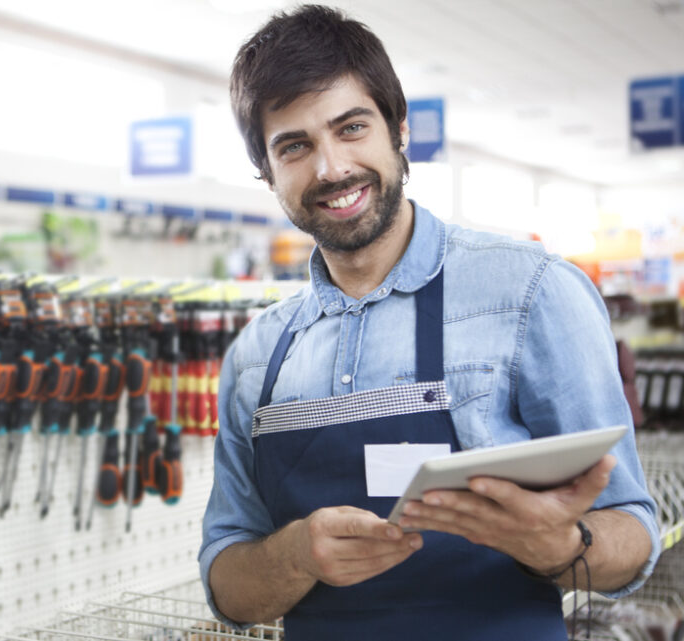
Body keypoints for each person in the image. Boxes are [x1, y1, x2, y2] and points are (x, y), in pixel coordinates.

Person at [199, 5, 661, 640]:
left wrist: (560, 546)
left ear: (400, 130)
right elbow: (228, 582)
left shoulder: (531, 291)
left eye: (351, 127)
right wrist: (294, 556)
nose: (332, 167)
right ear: (267, 172)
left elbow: (632, 534)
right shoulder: (257, 356)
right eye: (295, 145)